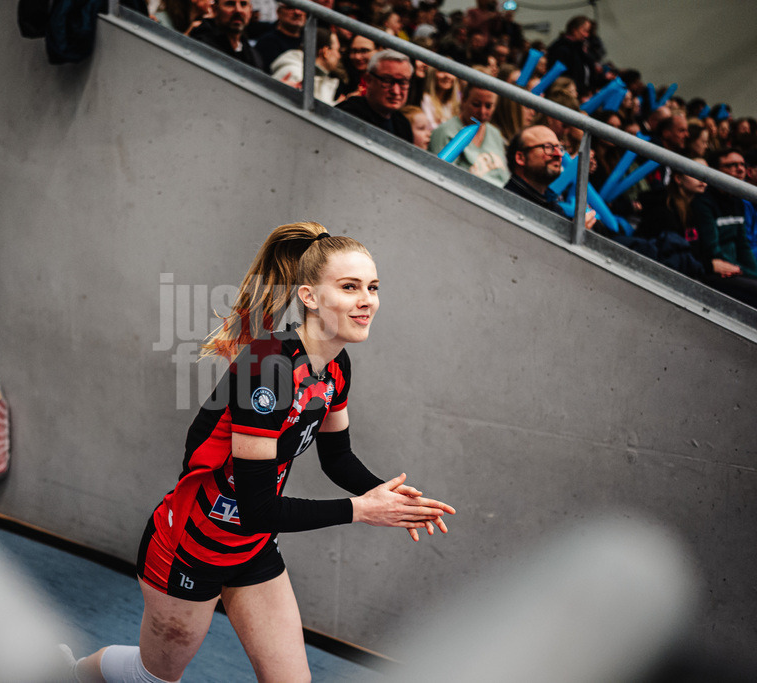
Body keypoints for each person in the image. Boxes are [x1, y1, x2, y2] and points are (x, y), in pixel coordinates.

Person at [64, 222, 456, 683]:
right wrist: (361, 510)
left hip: (251, 548)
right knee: (151, 677)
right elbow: (257, 507)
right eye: (349, 287)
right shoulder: (267, 367)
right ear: (309, 297)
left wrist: (390, 499)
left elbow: (337, 457)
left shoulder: (335, 367)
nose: (366, 299)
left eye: (372, 287)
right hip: (190, 547)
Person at [690, 148, 757, 307]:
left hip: (736, 270)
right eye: (732, 165)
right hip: (718, 271)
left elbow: (743, 247)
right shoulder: (704, 203)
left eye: (742, 164)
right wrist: (745, 272)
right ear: (716, 171)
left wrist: (753, 273)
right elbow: (712, 249)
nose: (740, 169)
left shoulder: (737, 201)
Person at [429, 82, 510, 187]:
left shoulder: (495, 134)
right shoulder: (447, 132)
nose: (482, 111)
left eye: (488, 106)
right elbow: (441, 177)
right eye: (476, 104)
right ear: (463, 101)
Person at [336, 50, 416, 144]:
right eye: (387, 81)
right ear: (368, 80)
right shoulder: (347, 115)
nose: (396, 91)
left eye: (403, 82)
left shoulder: (403, 125)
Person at [269, 28, 341, 104]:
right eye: (337, 50)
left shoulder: (318, 78)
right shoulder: (295, 73)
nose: (339, 56)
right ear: (325, 51)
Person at [188, 0, 263, 69]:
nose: (238, 10)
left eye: (243, 4)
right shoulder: (200, 44)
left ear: (250, 10)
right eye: (230, 4)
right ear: (215, 9)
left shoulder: (252, 54)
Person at [254, 3, 306, 73]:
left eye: (302, 8)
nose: (297, 12)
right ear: (279, 12)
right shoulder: (267, 43)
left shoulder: (312, 41)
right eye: (290, 7)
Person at [420, 66, 460, 130]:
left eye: (451, 72)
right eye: (442, 71)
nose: (447, 76)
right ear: (432, 74)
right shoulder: (426, 99)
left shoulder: (453, 103)